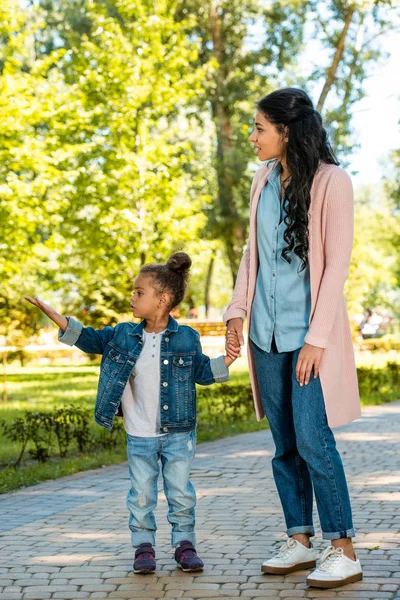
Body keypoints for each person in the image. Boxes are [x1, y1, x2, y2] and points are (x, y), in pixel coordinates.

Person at [224, 88, 363, 589]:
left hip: (310, 339)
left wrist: (317, 338)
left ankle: (343, 546)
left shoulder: (333, 182)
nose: (252, 136)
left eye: (259, 128)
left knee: (313, 438)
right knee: (284, 443)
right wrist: (237, 312)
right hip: (265, 332)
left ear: (287, 132)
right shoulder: (262, 181)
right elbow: (250, 256)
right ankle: (300, 540)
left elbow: (337, 267)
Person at [25, 252, 237, 575]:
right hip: (139, 434)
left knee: (180, 492)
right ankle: (143, 547)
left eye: (140, 292)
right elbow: (90, 338)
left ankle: (184, 544)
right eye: (134, 291)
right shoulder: (123, 334)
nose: (132, 297)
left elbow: (203, 372)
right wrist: (56, 317)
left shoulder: (187, 338)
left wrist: (228, 361)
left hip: (179, 433)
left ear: (162, 299)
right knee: (141, 495)